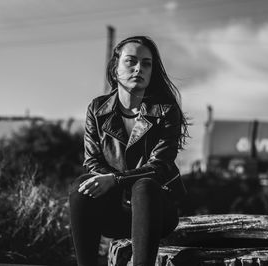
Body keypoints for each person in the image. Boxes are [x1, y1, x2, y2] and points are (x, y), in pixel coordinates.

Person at [69, 36, 189, 266]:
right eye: (131, 61)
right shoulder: (97, 109)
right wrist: (110, 185)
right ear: (115, 69)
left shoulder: (165, 111)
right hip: (114, 211)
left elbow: (159, 167)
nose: (139, 68)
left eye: (146, 63)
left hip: (155, 211)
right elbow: (92, 160)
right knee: (80, 187)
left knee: (144, 186)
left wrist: (115, 180)